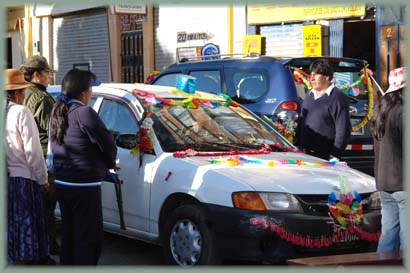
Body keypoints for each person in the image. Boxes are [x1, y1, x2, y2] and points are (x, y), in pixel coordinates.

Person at [49, 69, 117, 265]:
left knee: (70, 237)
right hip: (83, 187)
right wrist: (110, 164)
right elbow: (108, 144)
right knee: (88, 240)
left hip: (63, 183)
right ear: (83, 93)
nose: (92, 93)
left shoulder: (58, 110)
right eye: (90, 89)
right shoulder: (84, 112)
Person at [4, 69, 50, 265]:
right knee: (29, 231)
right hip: (26, 179)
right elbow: (33, 152)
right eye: (22, 92)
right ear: (16, 94)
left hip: (10, 179)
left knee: (16, 228)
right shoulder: (21, 112)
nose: (24, 96)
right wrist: (43, 179)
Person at [20, 55, 59, 255]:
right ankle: (48, 245)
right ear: (36, 75)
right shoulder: (42, 98)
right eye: (47, 74)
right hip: (43, 156)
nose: (49, 78)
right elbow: (53, 130)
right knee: (47, 206)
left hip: (23, 157)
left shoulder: (22, 93)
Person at [371, 67, 405, 252]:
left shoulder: (380, 111)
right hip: (402, 183)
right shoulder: (402, 112)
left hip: (384, 182)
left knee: (388, 235)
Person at [295, 59, 351, 160]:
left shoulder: (337, 98)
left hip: (325, 156)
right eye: (311, 75)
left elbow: (343, 130)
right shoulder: (309, 95)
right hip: (305, 155)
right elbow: (302, 122)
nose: (311, 78)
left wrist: (335, 155)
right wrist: (297, 145)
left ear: (326, 77)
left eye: (316, 75)